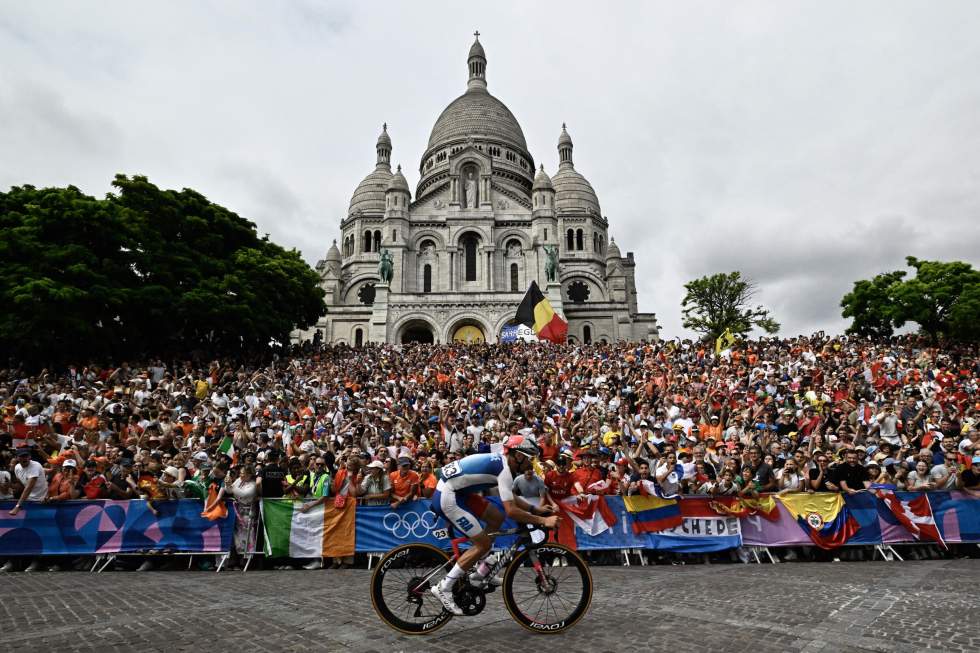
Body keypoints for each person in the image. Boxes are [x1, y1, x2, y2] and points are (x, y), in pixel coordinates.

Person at [429, 436, 559, 616]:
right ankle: (444, 586)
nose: (531, 464)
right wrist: (543, 521)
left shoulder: (502, 463)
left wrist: (534, 509)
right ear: (518, 456)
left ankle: (479, 571)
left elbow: (509, 497)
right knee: (483, 543)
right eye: (529, 458)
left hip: (460, 492)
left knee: (496, 518)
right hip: (448, 496)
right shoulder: (504, 469)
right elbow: (512, 511)